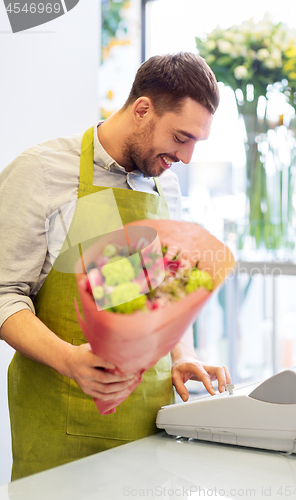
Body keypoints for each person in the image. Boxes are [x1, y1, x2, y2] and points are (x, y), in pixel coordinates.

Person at [0, 52, 231, 481]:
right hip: (62, 430)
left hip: (151, 423)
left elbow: (162, 289)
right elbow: (4, 294)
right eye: (181, 137)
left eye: (197, 142)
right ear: (142, 109)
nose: (187, 157)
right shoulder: (43, 172)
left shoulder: (167, 183)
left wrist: (184, 353)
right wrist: (70, 360)